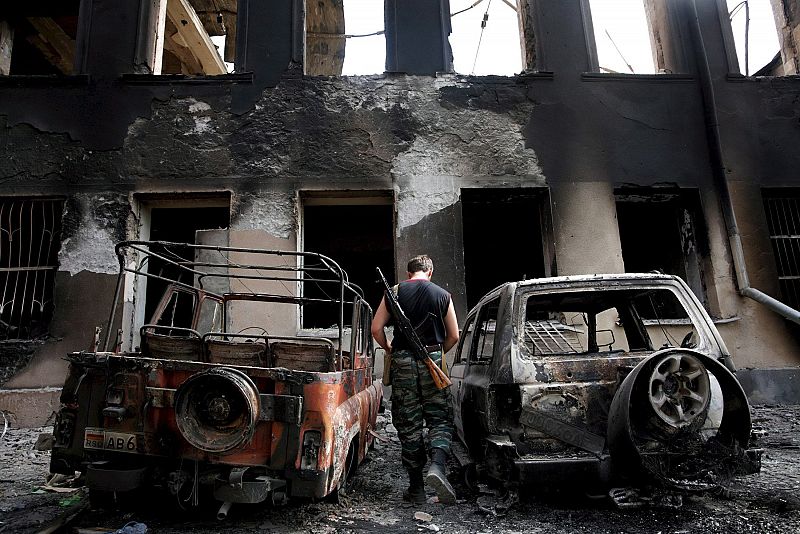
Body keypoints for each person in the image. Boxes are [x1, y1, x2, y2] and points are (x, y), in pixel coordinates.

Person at [371, 254, 460, 504]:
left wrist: (389, 348)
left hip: (402, 363)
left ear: (410, 273)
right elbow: (453, 335)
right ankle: (438, 468)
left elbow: (376, 329)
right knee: (440, 418)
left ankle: (417, 489)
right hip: (433, 359)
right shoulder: (442, 294)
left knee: (409, 424)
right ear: (430, 272)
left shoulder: (395, 292)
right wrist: (436, 357)